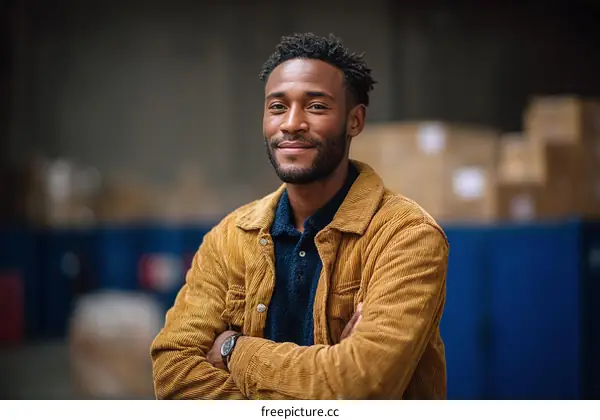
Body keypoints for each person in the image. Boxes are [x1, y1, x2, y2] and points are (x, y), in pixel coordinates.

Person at [150, 32, 449, 400]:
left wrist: (235, 350)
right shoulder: (229, 238)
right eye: (277, 107)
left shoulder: (406, 236)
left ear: (354, 121)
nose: (291, 123)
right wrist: (328, 373)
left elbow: (362, 384)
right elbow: (173, 372)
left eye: (316, 107)